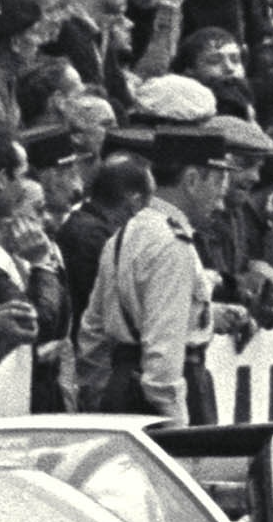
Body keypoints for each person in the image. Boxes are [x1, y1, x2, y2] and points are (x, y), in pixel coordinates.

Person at [73, 122, 228, 420]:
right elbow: (162, 364)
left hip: (122, 385)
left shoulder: (124, 234)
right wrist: (178, 428)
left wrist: (97, 396)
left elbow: (92, 331)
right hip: (161, 400)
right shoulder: (172, 244)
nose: (220, 198)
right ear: (192, 180)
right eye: (218, 182)